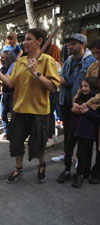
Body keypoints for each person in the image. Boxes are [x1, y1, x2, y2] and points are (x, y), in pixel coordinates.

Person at [0, 28, 60, 184]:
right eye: (25, 39)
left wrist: (37, 74)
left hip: (39, 111)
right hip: (20, 109)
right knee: (16, 142)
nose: (24, 42)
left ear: (39, 41)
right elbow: (9, 82)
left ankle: (42, 165)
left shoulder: (48, 61)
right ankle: (18, 169)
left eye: (28, 39)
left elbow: (53, 87)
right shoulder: (20, 62)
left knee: (37, 143)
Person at [54, 34, 96, 162]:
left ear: (82, 45)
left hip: (81, 104)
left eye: (73, 43)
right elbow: (65, 78)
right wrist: (61, 79)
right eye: (69, 43)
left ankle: (80, 158)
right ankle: (68, 155)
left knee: (82, 133)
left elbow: (92, 85)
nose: (69, 46)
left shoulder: (91, 61)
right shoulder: (68, 61)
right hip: (66, 102)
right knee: (68, 130)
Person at [57, 77, 99, 188]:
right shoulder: (79, 98)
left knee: (82, 154)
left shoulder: (96, 101)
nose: (83, 88)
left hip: (86, 132)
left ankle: (80, 174)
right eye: (82, 86)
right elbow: (73, 115)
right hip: (73, 130)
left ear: (92, 87)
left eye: (86, 86)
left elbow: (97, 118)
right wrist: (73, 111)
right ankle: (67, 171)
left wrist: (87, 112)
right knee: (68, 151)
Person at [79, 37, 100, 184]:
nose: (96, 56)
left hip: (93, 107)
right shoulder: (93, 67)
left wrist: (88, 103)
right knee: (85, 141)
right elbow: (84, 86)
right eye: (94, 54)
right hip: (89, 108)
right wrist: (77, 101)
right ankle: (83, 171)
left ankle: (97, 172)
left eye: (98, 53)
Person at [0, 50, 16, 139]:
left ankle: (12, 132)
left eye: (2, 57)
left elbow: (8, 79)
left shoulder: (13, 66)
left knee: (13, 115)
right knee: (2, 114)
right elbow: (4, 81)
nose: (0, 59)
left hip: (12, 93)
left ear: (8, 58)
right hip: (4, 93)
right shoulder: (2, 68)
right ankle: (6, 131)